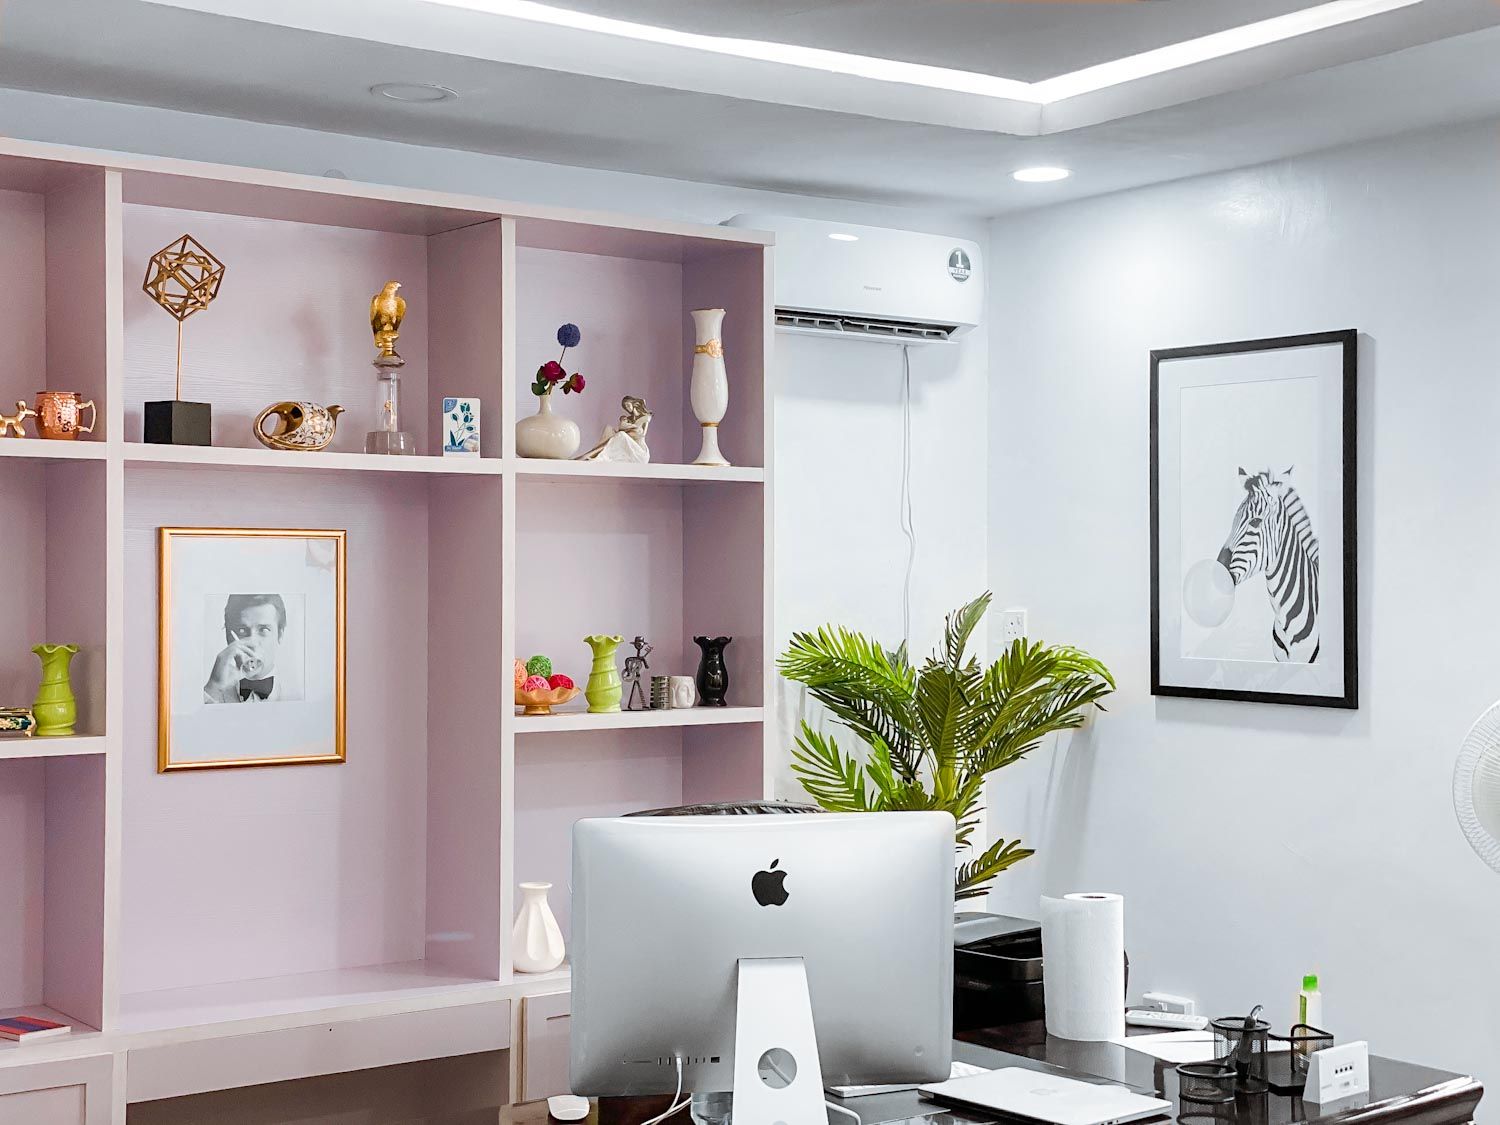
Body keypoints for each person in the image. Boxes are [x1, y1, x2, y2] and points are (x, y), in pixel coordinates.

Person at [204, 594, 295, 704]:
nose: (252, 643)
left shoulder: (298, 693)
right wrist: (213, 688)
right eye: (242, 630)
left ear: (280, 635)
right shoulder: (211, 693)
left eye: (263, 630)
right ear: (228, 636)